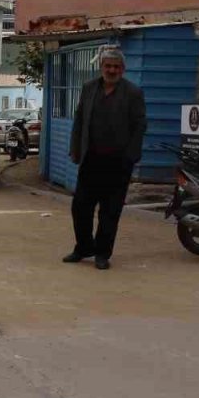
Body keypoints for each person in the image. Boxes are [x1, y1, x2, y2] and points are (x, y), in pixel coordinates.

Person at [63, 46, 146, 270]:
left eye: (116, 67)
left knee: (110, 211)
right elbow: (80, 120)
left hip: (118, 163)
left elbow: (140, 127)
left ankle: (102, 253)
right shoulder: (89, 88)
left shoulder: (133, 93)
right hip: (91, 159)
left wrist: (131, 157)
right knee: (80, 206)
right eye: (107, 66)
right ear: (101, 67)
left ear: (123, 69)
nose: (111, 70)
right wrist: (75, 149)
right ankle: (83, 247)